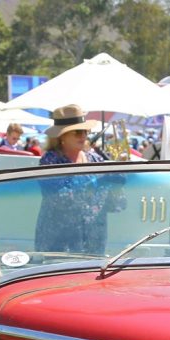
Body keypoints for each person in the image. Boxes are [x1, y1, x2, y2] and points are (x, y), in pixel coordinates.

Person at [36, 104, 109, 253]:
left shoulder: (94, 159)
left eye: (85, 131)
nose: (83, 136)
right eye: (77, 132)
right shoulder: (50, 160)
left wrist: (117, 185)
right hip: (59, 241)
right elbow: (59, 200)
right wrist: (92, 186)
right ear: (62, 136)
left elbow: (116, 205)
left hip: (92, 240)